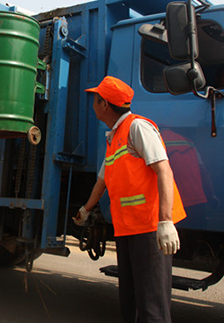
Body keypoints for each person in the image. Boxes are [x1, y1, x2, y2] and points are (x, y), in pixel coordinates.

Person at [74, 76, 186, 323]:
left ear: (104, 104)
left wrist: (166, 222)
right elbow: (102, 182)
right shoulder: (114, 138)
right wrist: (85, 209)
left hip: (149, 228)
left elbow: (164, 170)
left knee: (151, 306)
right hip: (128, 228)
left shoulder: (138, 128)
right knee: (130, 302)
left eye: (96, 98)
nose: (93, 103)